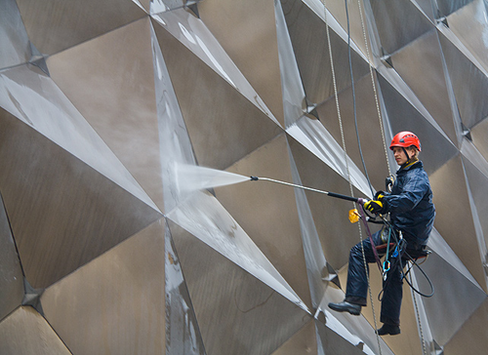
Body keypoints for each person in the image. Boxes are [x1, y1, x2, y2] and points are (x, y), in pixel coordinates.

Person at [328, 131, 435, 336]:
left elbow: (408, 200)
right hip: (406, 237)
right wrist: (383, 198)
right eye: (394, 150)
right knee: (393, 275)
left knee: (358, 252)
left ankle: (354, 301)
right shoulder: (407, 174)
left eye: (399, 150)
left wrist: (384, 203)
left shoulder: (416, 176)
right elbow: (401, 198)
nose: (395, 154)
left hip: (403, 237)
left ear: (412, 151)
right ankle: (391, 324)